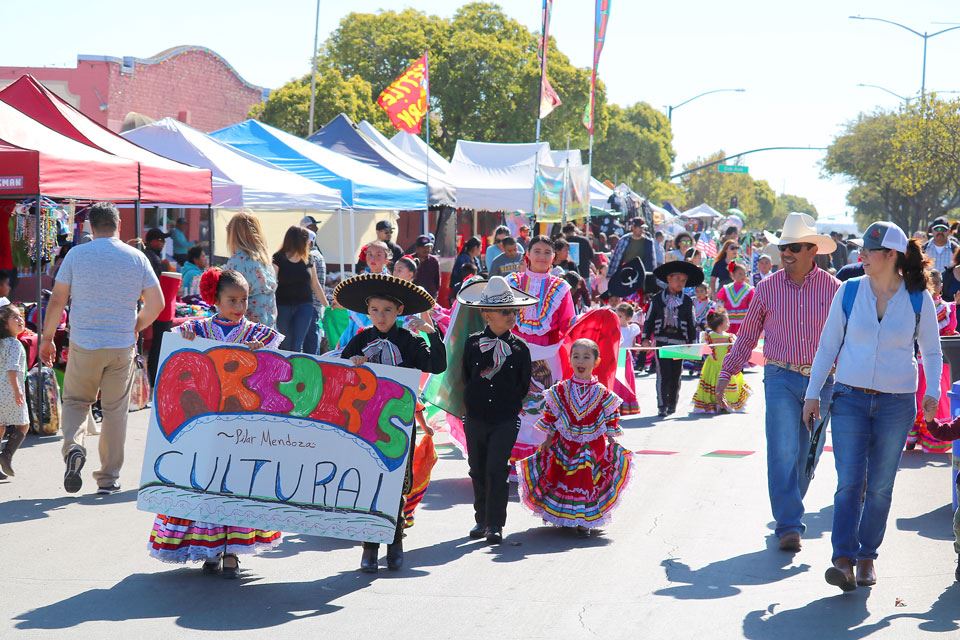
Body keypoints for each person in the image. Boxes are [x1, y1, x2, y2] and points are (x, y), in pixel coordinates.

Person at [803, 221, 941, 592]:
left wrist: (933, 393)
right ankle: (842, 560)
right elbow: (828, 345)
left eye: (869, 250)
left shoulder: (917, 298)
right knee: (849, 482)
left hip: (898, 404)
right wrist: (813, 393)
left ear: (891, 255)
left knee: (879, 486)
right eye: (862, 249)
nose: (861, 255)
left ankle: (867, 557)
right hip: (849, 397)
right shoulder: (848, 292)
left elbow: (931, 349)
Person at [148, 268, 284, 578]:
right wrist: (186, 340)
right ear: (215, 299)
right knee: (204, 481)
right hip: (203, 424)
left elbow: (273, 375)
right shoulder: (197, 329)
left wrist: (260, 356)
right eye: (232, 300)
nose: (239, 307)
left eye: (244, 300)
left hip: (241, 426)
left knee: (235, 482)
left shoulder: (258, 335)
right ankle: (208, 547)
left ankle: (233, 551)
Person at [716, 212, 838, 553]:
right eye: (784, 246)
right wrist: (727, 372)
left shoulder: (834, 289)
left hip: (822, 381)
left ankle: (789, 509)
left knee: (807, 455)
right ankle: (788, 524)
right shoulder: (766, 288)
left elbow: (846, 339)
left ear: (812, 250)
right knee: (783, 451)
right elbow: (746, 336)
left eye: (795, 247)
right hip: (780, 377)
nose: (787, 253)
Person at [40, 202, 164, 495]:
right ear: (118, 225)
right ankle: (109, 477)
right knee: (115, 411)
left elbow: (57, 300)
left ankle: (74, 447)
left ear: (90, 227)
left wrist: (46, 339)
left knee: (76, 401)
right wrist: (135, 325)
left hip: (84, 342)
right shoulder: (137, 258)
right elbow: (157, 304)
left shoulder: (77, 255)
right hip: (121, 344)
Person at [337, 273, 446, 573]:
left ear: (399, 311)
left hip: (399, 422)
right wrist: (354, 365)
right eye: (374, 310)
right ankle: (369, 548)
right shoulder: (360, 340)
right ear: (367, 311)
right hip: (366, 422)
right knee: (369, 481)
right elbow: (340, 373)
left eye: (387, 310)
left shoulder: (409, 341)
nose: (381, 316)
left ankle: (394, 542)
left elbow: (436, 365)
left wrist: (431, 332)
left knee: (395, 482)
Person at [516, 338, 634, 537]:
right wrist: (547, 439)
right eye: (576, 356)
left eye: (586, 357)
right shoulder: (560, 390)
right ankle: (568, 516)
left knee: (586, 478)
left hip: (592, 446)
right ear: (569, 360)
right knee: (565, 478)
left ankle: (584, 520)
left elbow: (610, 417)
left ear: (596, 361)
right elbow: (551, 415)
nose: (581, 361)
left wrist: (612, 441)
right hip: (564, 444)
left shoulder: (603, 393)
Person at [456, 276, 535, 543]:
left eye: (513, 311)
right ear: (487, 314)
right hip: (476, 417)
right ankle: (480, 520)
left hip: (505, 418)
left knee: (497, 469)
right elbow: (467, 377)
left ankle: (495, 524)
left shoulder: (520, 349)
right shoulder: (472, 343)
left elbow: (523, 385)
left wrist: (509, 406)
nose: (512, 315)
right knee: (476, 468)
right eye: (505, 311)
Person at [505, 236, 576, 465]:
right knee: (513, 406)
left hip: (548, 354)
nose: (542, 256)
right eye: (537, 250)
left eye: (547, 252)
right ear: (527, 253)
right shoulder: (511, 282)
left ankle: (540, 461)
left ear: (554, 257)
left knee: (543, 407)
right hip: (514, 352)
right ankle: (512, 460)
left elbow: (568, 323)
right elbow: (497, 315)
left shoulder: (561, 288)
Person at [642, 261, 701, 417]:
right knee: (663, 374)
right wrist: (645, 338)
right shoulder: (657, 299)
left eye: (683, 280)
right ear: (668, 279)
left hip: (680, 343)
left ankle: (672, 404)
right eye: (677, 279)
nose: (680, 283)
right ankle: (662, 405)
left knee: (675, 375)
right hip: (662, 342)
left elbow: (691, 323)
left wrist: (692, 343)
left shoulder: (687, 301)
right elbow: (649, 319)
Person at [907, 269, 956, 453]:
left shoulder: (948, 308)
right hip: (921, 361)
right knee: (918, 397)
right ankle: (913, 436)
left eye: (937, 283)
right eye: (931, 281)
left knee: (937, 398)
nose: (934, 286)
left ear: (942, 287)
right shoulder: (918, 305)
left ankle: (933, 437)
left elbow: (950, 329)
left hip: (940, 361)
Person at [273, 226, 329, 353]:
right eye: (306, 239)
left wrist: (327, 306)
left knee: (298, 343)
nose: (309, 242)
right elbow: (272, 283)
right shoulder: (278, 258)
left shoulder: (309, 259)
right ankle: (284, 370)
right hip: (283, 305)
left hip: (304, 306)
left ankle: (295, 370)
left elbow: (315, 284)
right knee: (285, 342)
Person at [224, 212, 278, 328]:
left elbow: (227, 295)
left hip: (247, 328)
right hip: (268, 323)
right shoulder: (265, 261)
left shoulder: (237, 261)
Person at [692, 309, 750, 414]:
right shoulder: (720, 337)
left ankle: (722, 405)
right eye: (727, 321)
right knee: (723, 383)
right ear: (721, 324)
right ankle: (721, 405)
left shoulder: (713, 337)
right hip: (722, 366)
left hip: (716, 365)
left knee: (720, 384)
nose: (729, 323)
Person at [0, 305, 28, 479]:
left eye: (20, 316)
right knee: (23, 424)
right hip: (10, 390)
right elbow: (12, 369)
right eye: (15, 318)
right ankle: (6, 455)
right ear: (4, 325)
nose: (20, 320)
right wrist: (17, 391)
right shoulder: (15, 344)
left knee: (0, 426)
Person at [303, 229, 327, 356]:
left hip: (310, 304)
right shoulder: (319, 255)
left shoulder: (311, 257)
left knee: (310, 342)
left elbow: (314, 284)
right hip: (315, 304)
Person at [715, 262, 754, 335]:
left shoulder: (749, 289)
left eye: (744, 274)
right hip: (728, 323)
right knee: (730, 342)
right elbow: (719, 304)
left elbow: (752, 306)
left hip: (743, 323)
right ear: (732, 275)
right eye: (740, 274)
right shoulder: (726, 288)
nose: (743, 276)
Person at [450, 237, 483, 303]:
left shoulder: (476, 260)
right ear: (475, 247)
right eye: (480, 247)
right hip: (461, 290)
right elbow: (459, 277)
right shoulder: (462, 259)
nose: (481, 250)